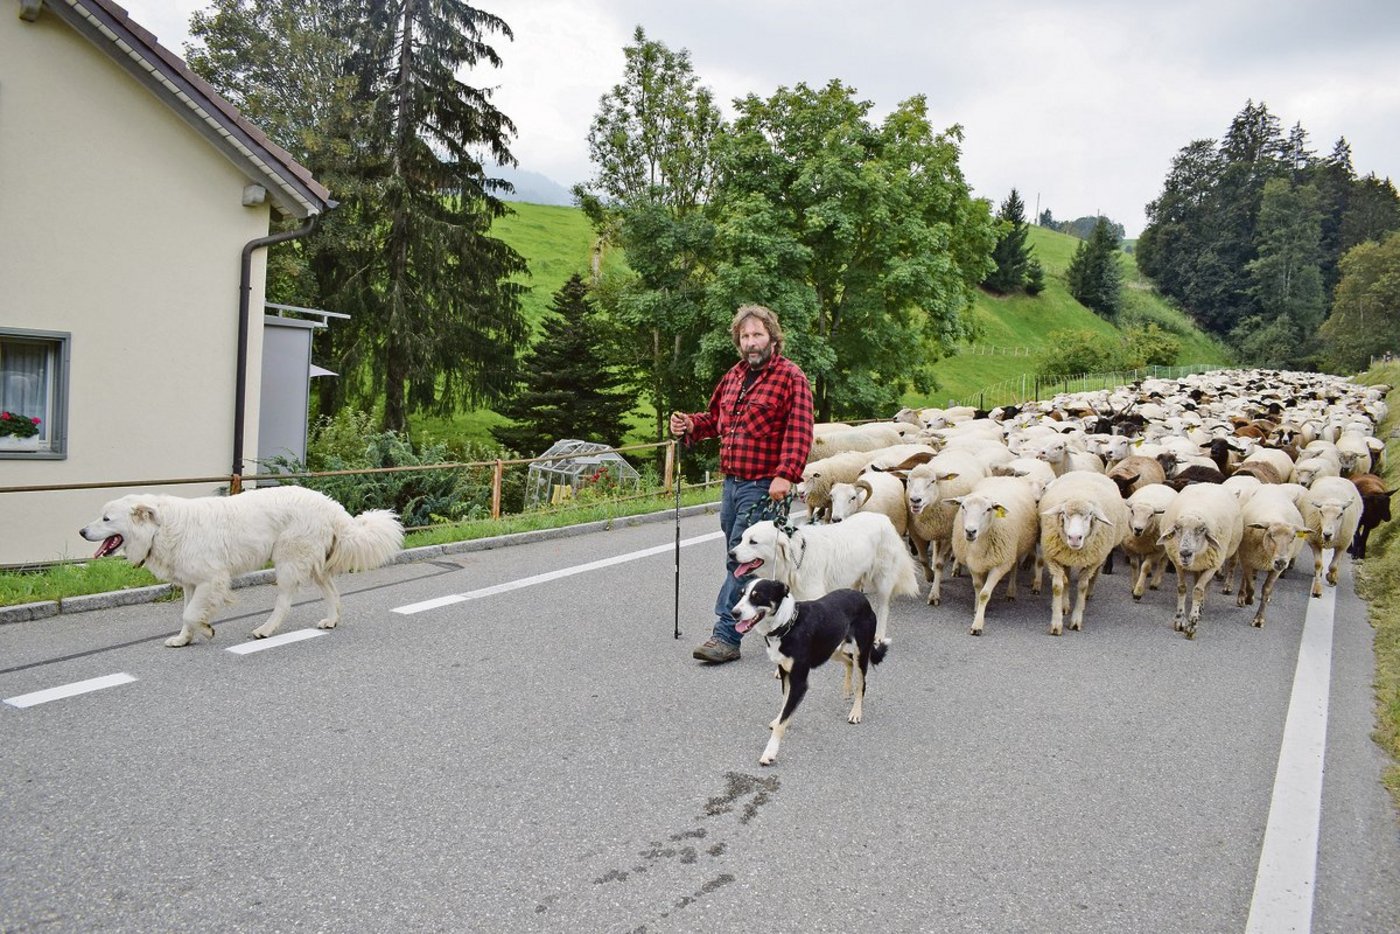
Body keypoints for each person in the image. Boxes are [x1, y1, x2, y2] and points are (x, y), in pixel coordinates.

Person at [670, 305, 814, 663]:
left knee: (739, 558)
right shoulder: (733, 376)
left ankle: (725, 636)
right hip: (732, 483)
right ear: (738, 340)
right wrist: (689, 424)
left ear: (772, 337)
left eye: (757, 335)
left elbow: (800, 432)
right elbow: (715, 420)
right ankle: (782, 616)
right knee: (741, 556)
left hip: (764, 485)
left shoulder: (791, 378)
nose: (751, 343)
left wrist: (786, 473)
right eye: (745, 336)